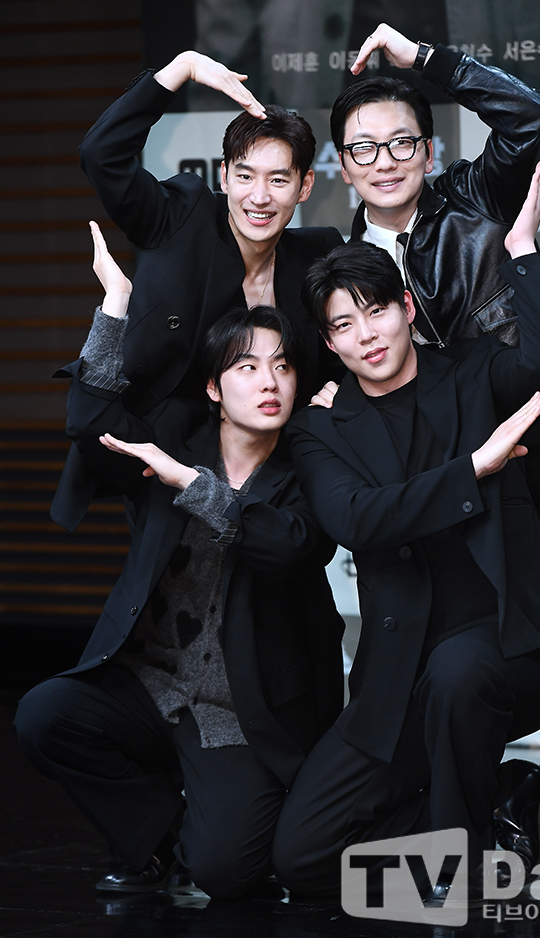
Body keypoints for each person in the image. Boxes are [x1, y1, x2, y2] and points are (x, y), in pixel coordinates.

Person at [324, 23, 540, 891]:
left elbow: (532, 119)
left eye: (402, 142)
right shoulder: (344, 263)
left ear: (428, 152)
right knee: (466, 638)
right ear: (342, 166)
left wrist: (423, 59)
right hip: (476, 462)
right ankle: (490, 800)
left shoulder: (472, 194)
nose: (385, 160)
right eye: (364, 148)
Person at [272, 164, 540, 901]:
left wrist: (522, 250)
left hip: (506, 644)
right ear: (330, 343)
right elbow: (356, 519)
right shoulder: (320, 429)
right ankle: (499, 804)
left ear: (407, 307)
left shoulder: (473, 373)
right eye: (343, 325)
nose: (366, 335)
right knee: (303, 858)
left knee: (458, 674)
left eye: (376, 311)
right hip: (397, 680)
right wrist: (476, 467)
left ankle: (463, 868)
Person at [15, 224, 345, 899]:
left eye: (283, 366)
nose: (270, 381)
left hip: (241, 707)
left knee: (226, 872)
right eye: (247, 367)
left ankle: (214, 822)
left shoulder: (310, 464)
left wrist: (193, 486)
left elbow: (295, 544)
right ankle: (156, 837)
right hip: (149, 683)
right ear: (214, 389)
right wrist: (115, 305)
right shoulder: (174, 439)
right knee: (45, 714)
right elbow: (90, 422)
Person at [51, 50, 344, 532]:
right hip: (162, 456)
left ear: (305, 185)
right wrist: (180, 70)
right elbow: (100, 154)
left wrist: (338, 392)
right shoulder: (180, 217)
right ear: (223, 176)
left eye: (278, 180)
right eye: (245, 176)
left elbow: (340, 351)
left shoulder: (318, 253)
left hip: (275, 469)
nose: (259, 197)